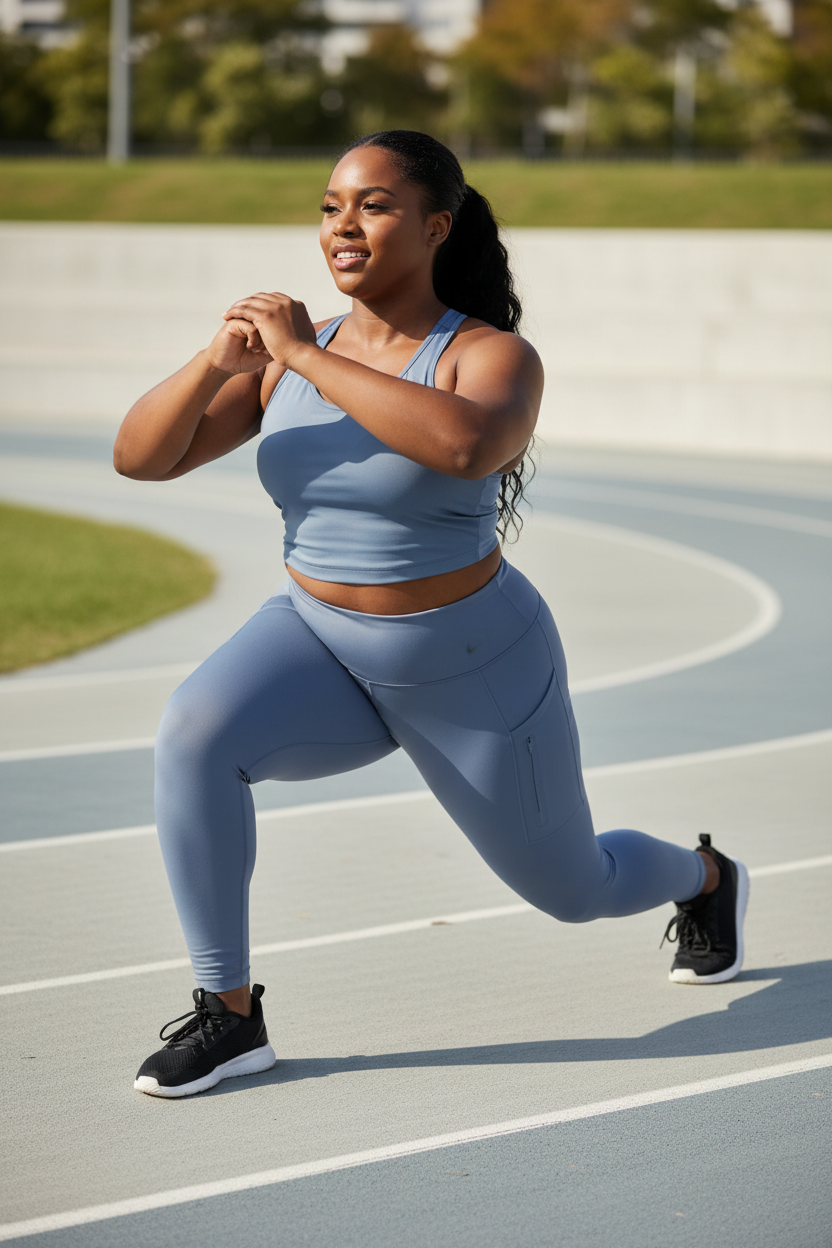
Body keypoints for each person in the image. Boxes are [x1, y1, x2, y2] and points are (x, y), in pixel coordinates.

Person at [114, 130, 749, 1099]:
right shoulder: (291, 358)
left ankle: (702, 879)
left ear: (434, 225)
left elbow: (464, 448)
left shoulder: (489, 355)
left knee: (573, 890)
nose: (343, 226)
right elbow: (142, 457)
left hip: (469, 661)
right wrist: (215, 363)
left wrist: (298, 352)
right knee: (193, 733)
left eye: (372, 205)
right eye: (331, 206)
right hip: (315, 634)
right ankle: (228, 1013)